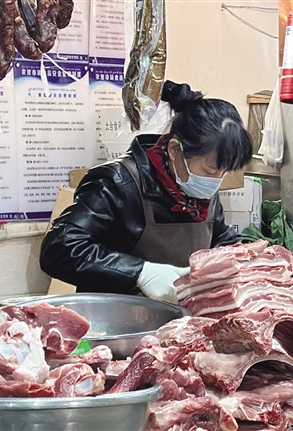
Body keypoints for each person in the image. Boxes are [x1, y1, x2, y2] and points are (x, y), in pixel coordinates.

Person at [39, 80, 253, 302]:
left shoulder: (199, 189)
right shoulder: (116, 182)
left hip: (182, 317)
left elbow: (220, 240)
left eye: (225, 171)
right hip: (118, 317)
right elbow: (59, 248)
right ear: (174, 149)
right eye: (210, 169)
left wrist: (250, 258)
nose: (216, 180)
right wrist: (140, 273)